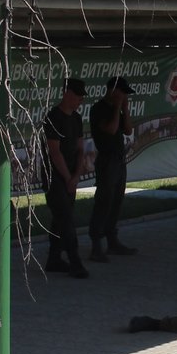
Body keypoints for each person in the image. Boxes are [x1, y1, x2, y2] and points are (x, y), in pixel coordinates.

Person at [88, 75, 137, 263]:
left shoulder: (119, 109)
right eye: (122, 92)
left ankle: (112, 239)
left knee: (117, 200)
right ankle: (96, 244)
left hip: (118, 159)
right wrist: (117, 107)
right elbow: (110, 129)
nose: (124, 96)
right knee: (104, 200)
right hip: (107, 160)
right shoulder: (99, 109)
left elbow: (128, 130)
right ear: (112, 90)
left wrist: (125, 108)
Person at [44, 77, 89, 279]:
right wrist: (68, 177)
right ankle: (74, 260)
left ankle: (54, 259)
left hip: (71, 176)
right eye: (77, 96)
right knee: (66, 219)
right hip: (55, 176)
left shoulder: (77, 119)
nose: (80, 100)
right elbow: (55, 152)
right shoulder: (53, 117)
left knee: (61, 218)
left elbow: (80, 149)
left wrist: (77, 175)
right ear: (67, 94)